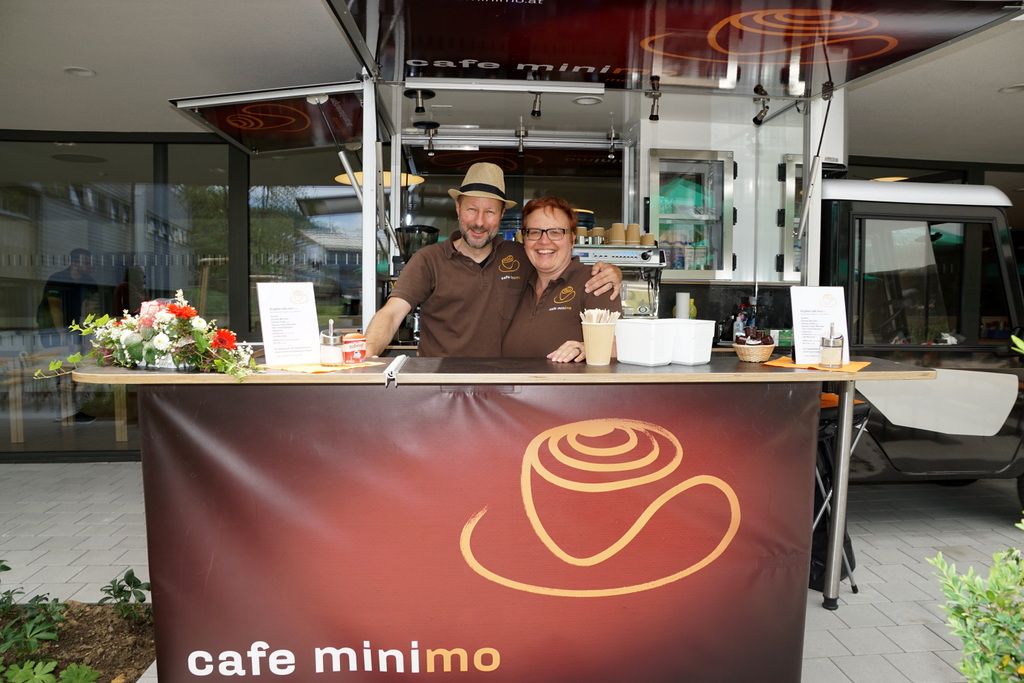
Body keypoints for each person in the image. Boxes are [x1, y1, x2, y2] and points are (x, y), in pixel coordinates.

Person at [365, 163, 621, 357]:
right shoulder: (429, 260)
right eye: (471, 209)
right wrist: (364, 355)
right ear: (458, 208)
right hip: (441, 388)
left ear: (501, 215)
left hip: (501, 390)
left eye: (489, 211)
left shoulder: (519, 255)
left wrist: (612, 271)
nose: (479, 222)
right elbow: (391, 314)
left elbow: (554, 259)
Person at [502, 196, 622, 362]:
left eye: (556, 232)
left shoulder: (595, 283)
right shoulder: (519, 281)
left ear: (572, 239)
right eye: (534, 232)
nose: (544, 241)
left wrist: (586, 348)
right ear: (524, 239)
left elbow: (622, 344)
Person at [37, 248, 101, 347]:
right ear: (74, 264)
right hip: (52, 327)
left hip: (75, 325)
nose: (90, 266)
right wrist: (62, 335)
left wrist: (90, 332)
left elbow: (92, 309)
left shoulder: (90, 282)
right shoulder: (58, 279)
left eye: (90, 263)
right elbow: (55, 309)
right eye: (86, 263)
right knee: (57, 353)